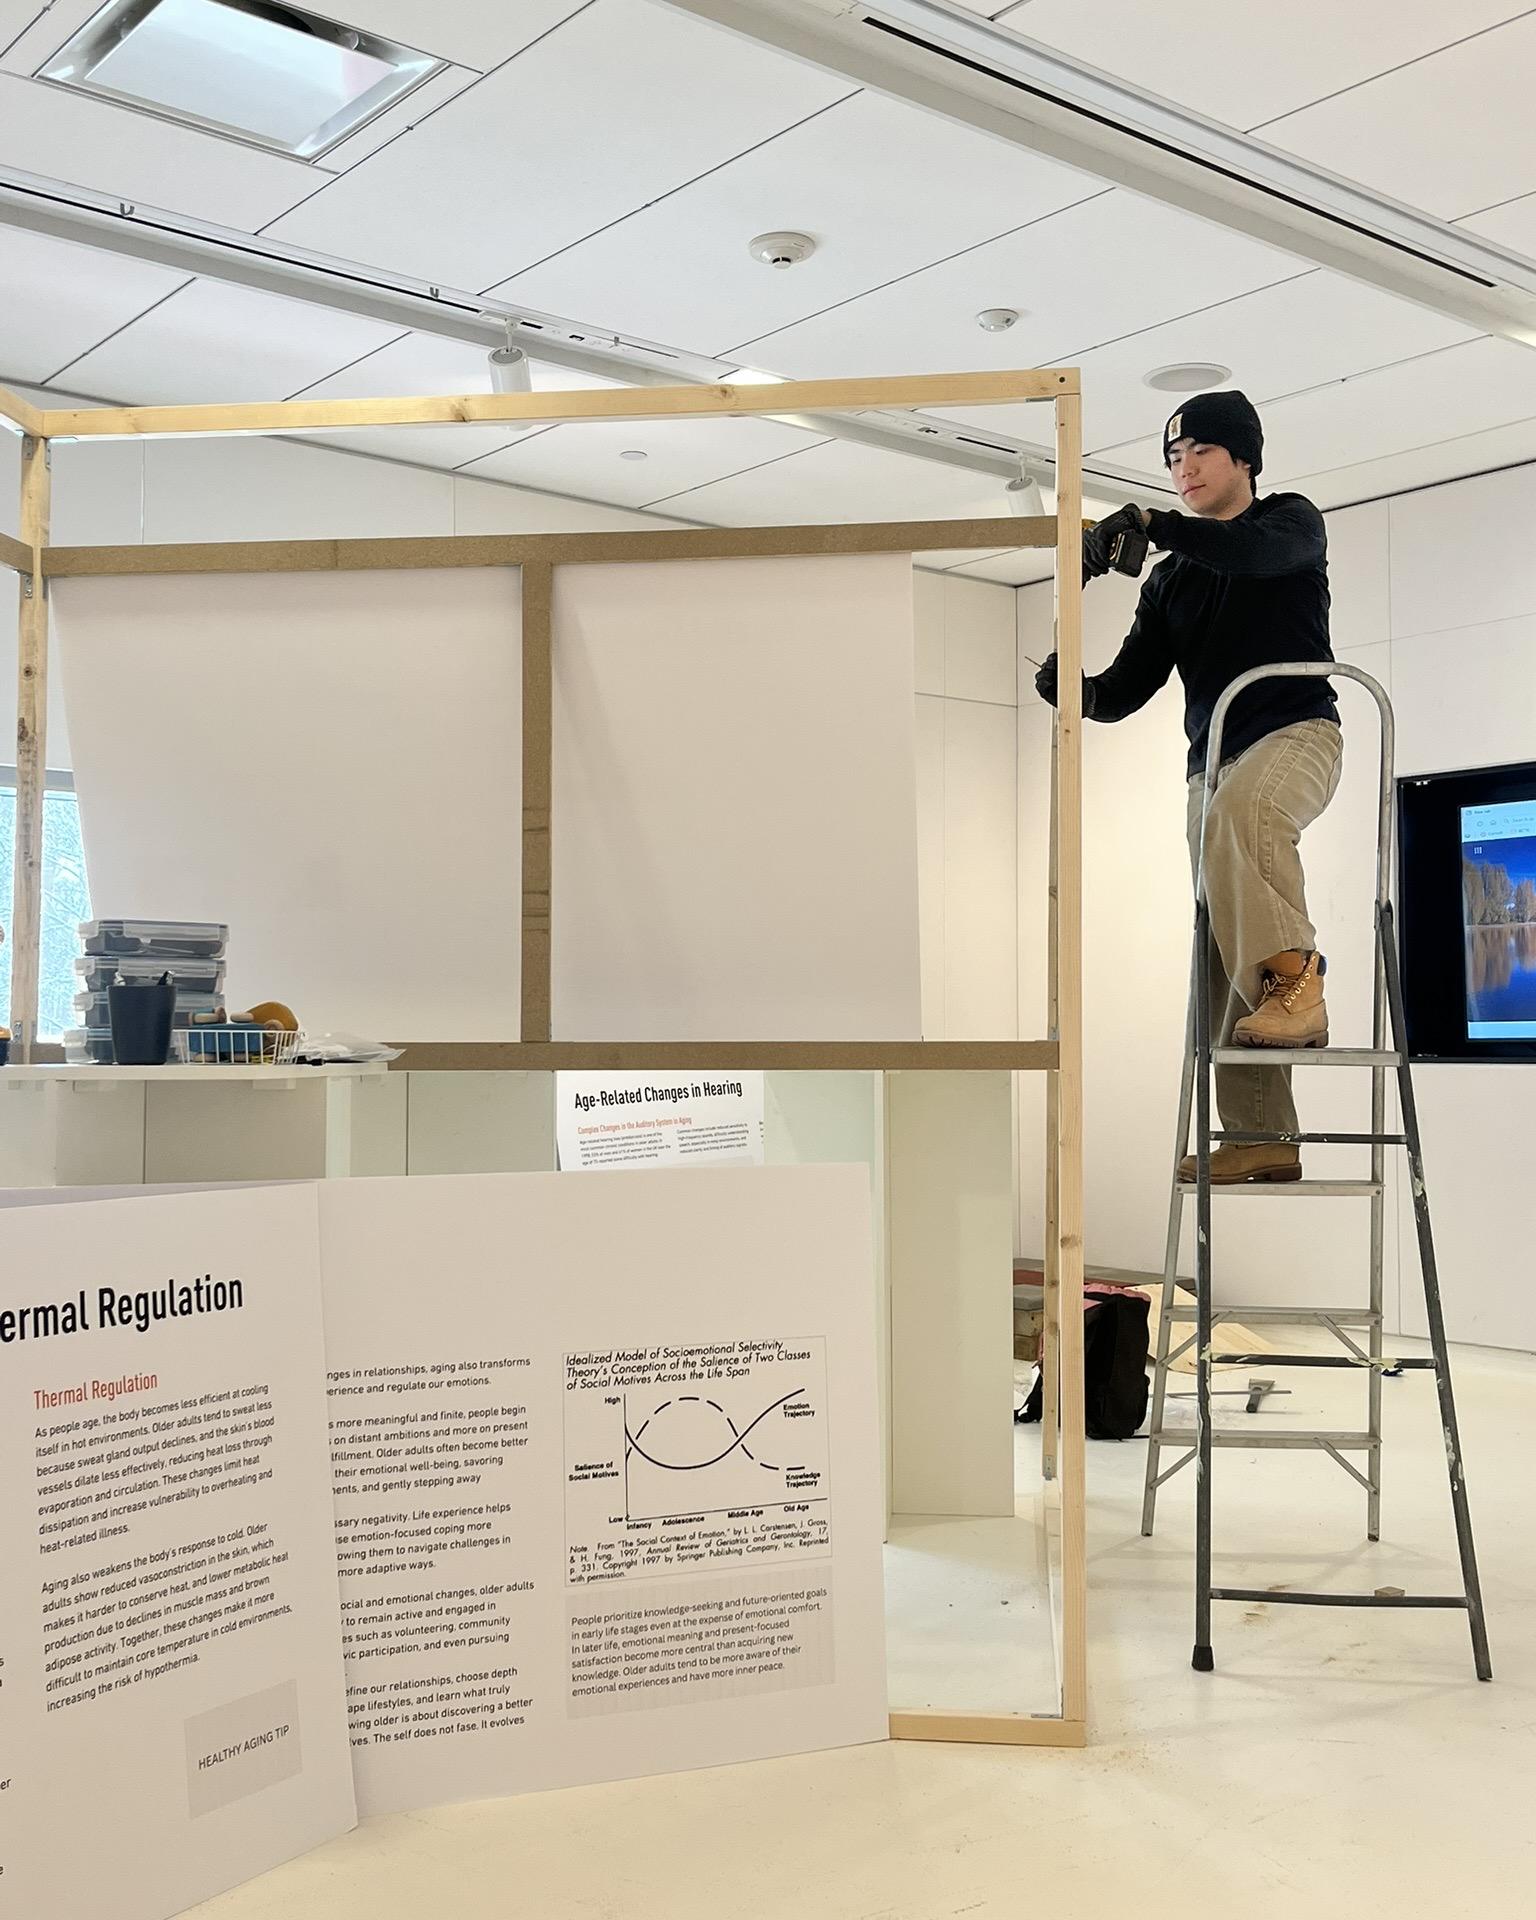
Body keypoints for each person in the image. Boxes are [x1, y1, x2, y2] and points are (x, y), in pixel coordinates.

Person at [1034, 390, 1342, 1185]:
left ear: (1244, 458)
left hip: (1294, 733)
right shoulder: (1169, 583)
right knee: (1220, 945)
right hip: (1209, 766)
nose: (1184, 468)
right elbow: (1129, 687)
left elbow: (1250, 555)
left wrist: (1159, 526)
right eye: (1174, 459)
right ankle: (1263, 1136)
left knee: (1248, 818)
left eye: (1200, 451)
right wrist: (1077, 691)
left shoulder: (1290, 523)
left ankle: (1300, 987)